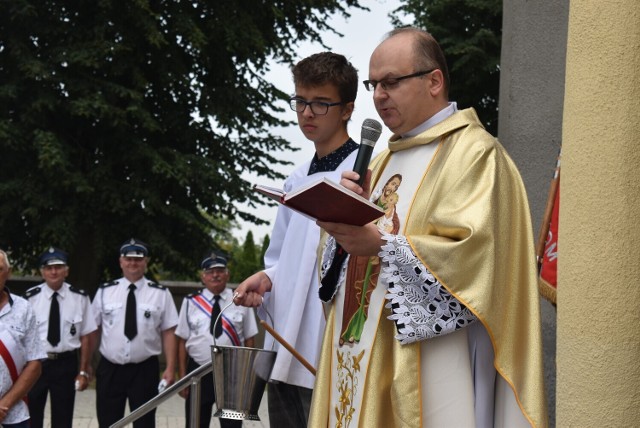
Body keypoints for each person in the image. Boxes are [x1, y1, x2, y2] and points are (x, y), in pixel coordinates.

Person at [308, 27, 548, 428]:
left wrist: (382, 245)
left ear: (434, 80)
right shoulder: (380, 162)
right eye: (373, 84)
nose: (378, 95)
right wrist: (339, 224)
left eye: (391, 82)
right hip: (359, 345)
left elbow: (475, 258)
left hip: (431, 361)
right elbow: (336, 271)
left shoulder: (476, 154)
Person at [233, 52, 360, 427]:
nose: (307, 113)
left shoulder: (363, 171)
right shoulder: (296, 177)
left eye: (321, 103)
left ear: (347, 109)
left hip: (328, 339)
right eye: (301, 101)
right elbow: (282, 254)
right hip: (285, 338)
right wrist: (266, 277)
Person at [91, 238, 178, 428]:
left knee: (145, 423)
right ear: (121, 262)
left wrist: (171, 368)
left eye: (138, 259)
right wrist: (86, 364)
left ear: (145, 262)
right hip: (110, 369)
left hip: (144, 369)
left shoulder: (160, 293)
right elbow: (93, 330)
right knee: (108, 421)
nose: (133, 263)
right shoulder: (105, 292)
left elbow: (169, 332)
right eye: (128, 259)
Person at [176, 252, 258, 428]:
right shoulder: (191, 302)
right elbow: (182, 340)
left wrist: (249, 376)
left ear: (227, 274)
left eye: (220, 270)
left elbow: (250, 338)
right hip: (198, 372)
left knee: (232, 425)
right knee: (196, 423)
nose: (215, 275)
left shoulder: (240, 299)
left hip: (232, 374)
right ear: (203, 276)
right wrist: (182, 377)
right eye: (210, 271)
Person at [24, 247, 97, 428]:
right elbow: (22, 337)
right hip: (36, 364)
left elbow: (86, 336)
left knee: (63, 418)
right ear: (42, 272)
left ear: (66, 271)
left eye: (58, 267)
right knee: (32, 415)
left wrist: (83, 371)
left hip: (65, 364)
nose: (53, 272)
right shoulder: (29, 299)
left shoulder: (79, 298)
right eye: (48, 268)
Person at [0, 249, 45, 428]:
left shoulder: (23, 308)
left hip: (13, 412)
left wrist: (4, 405)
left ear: (8, 273)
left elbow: (35, 364)